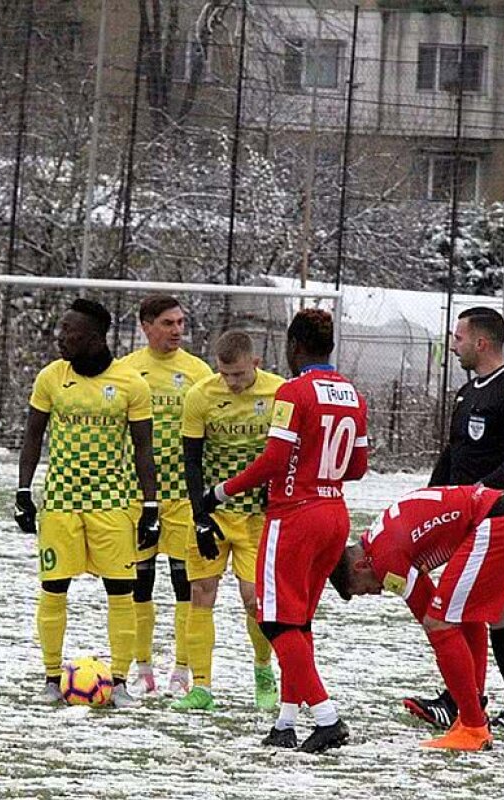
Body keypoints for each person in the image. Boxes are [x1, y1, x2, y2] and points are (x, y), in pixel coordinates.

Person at [201, 309, 368, 752]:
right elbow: (358, 466)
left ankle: (328, 717)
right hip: (335, 512)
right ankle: (285, 722)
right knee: (299, 622)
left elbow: (275, 460)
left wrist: (220, 491)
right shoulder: (352, 393)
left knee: (274, 619)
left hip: (296, 515)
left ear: (294, 346)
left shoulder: (294, 391)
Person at [14, 298, 160, 708]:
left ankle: (119, 682)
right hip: (60, 501)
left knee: (121, 591)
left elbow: (143, 449)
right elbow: (32, 437)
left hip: (112, 502)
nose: (60, 339)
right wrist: (24, 491)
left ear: (95, 339)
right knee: (53, 588)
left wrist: (150, 507)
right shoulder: (51, 377)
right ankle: (49, 677)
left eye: (69, 333)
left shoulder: (131, 384)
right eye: (60, 331)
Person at [329, 484, 504, 751]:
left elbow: (431, 619)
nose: (377, 592)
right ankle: (472, 716)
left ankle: (473, 727)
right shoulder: (378, 538)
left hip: (500, 523)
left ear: (360, 566)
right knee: (462, 616)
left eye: (365, 589)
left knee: (440, 623)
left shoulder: (384, 559)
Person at [406, 306, 504, 730]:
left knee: (455, 604)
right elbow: (453, 453)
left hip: (497, 521)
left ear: (481, 343)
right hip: (465, 519)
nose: (454, 344)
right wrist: (430, 496)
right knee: (495, 610)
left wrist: (479, 493)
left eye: (459, 338)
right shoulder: (467, 393)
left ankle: (459, 700)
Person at [172, 330, 283, 713]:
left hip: (257, 517)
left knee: (255, 601)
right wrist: (200, 517)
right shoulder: (201, 395)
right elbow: (190, 460)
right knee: (201, 592)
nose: (231, 383)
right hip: (213, 514)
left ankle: (263, 669)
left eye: (238, 374)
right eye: (225, 374)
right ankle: (201, 687)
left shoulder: (279, 394)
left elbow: (288, 454)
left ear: (255, 363)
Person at [119, 295, 212, 695]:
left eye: (180, 323)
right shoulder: (126, 371)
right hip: (137, 493)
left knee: (184, 584)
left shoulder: (198, 372)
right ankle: (143, 669)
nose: (177, 330)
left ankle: (181, 670)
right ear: (146, 326)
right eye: (168, 323)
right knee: (139, 582)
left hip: (182, 494)